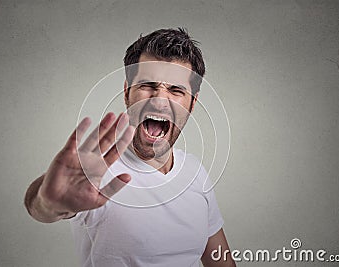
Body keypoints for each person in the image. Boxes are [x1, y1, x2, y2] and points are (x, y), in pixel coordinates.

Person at [24, 28, 236, 267]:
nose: (158, 99)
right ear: (127, 93)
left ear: (193, 103)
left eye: (176, 90)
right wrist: (49, 202)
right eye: (147, 85)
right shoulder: (98, 172)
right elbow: (41, 207)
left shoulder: (195, 172)